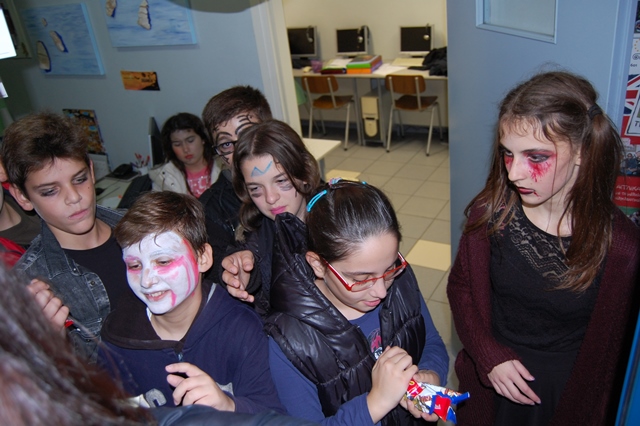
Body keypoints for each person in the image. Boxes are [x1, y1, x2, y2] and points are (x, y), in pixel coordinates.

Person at [447, 71, 640, 426]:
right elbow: (461, 288)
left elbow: (612, 352)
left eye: (535, 158)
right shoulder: (491, 213)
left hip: (562, 396)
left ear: (581, 151)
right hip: (490, 386)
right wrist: (488, 355)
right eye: (508, 154)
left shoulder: (622, 249)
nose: (514, 174)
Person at [264, 179, 449, 425]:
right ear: (318, 264)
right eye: (361, 279)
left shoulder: (399, 280)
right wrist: (376, 403)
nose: (381, 291)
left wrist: (431, 375)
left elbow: (431, 341)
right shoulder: (289, 341)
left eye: (389, 268)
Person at [100, 191, 285, 415]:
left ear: (203, 258)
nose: (146, 281)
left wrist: (230, 406)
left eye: (163, 261)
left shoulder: (242, 329)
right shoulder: (118, 339)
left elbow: (274, 415)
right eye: (135, 266)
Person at [1, 112, 130, 362]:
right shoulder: (28, 287)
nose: (74, 197)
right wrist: (52, 349)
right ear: (22, 197)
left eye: (79, 179)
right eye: (50, 191)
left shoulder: (143, 226)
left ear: (91, 171)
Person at [221, 119, 321, 317]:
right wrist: (246, 277)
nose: (271, 198)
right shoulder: (253, 238)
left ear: (304, 172)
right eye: (256, 189)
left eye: (281, 181)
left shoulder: (339, 221)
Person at [198, 86, 272, 280]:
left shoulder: (298, 182)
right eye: (226, 144)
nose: (240, 151)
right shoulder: (210, 209)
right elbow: (218, 267)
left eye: (248, 135)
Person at [149, 112, 221, 198]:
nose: (185, 149)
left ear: (203, 139)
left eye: (190, 141)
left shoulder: (224, 166)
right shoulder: (163, 176)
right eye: (177, 144)